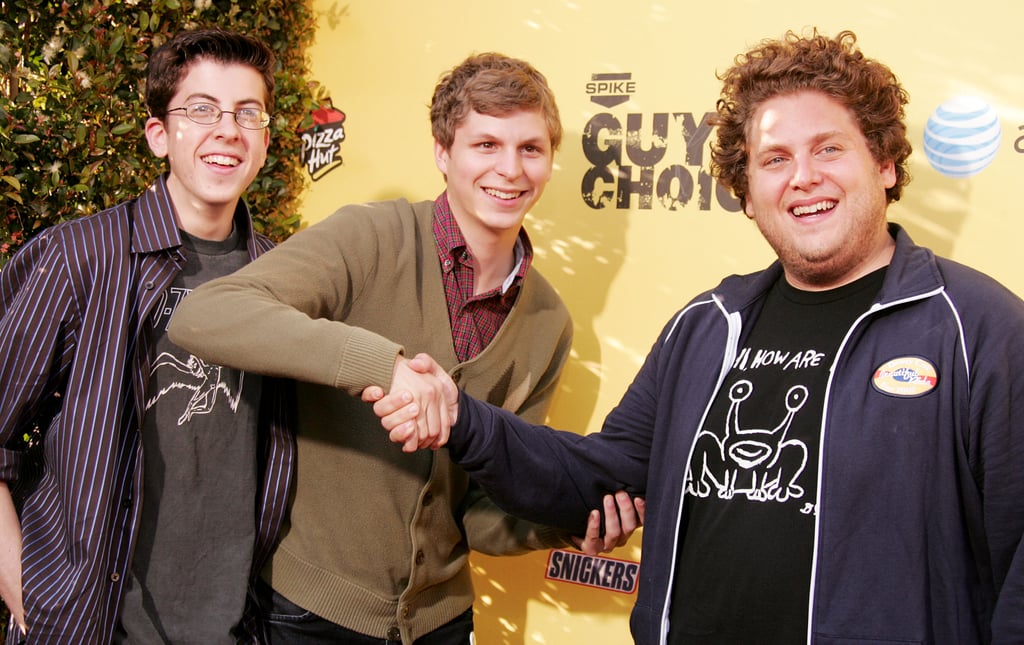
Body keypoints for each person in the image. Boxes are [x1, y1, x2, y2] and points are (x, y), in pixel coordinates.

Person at [373, 29, 1024, 644]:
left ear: (884, 161)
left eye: (828, 148)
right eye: (774, 159)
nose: (803, 177)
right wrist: (462, 419)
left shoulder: (978, 329)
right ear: (747, 193)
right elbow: (598, 478)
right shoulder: (708, 323)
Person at [167, 52, 640, 645]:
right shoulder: (370, 237)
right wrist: (381, 366)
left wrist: (563, 524)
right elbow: (206, 315)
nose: (511, 170)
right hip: (308, 615)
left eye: (530, 149)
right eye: (486, 145)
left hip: (443, 624)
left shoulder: (549, 321)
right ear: (444, 154)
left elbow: (482, 517)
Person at [0, 28, 293, 644]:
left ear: (264, 140)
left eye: (248, 113)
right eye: (201, 109)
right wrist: (28, 597)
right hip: (91, 625)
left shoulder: (284, 279)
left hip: (236, 626)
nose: (228, 130)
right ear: (159, 133)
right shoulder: (79, 256)